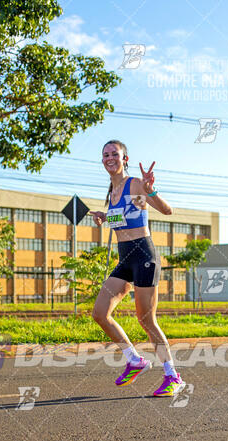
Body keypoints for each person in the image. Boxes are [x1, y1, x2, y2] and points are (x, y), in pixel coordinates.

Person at [89, 139, 185, 397]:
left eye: (115, 154)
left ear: (124, 159)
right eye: (105, 154)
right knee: (100, 313)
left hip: (143, 254)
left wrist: (150, 190)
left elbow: (166, 210)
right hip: (124, 259)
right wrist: (103, 215)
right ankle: (134, 360)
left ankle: (173, 376)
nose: (110, 158)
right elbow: (122, 217)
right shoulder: (113, 190)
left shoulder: (135, 184)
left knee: (146, 320)